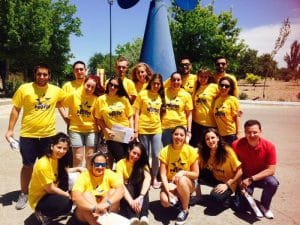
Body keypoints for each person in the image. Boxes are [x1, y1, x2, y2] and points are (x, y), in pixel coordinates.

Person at [5, 63, 66, 210]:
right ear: (35, 75)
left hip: (49, 135)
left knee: (48, 166)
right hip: (28, 135)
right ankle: (24, 193)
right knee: (28, 165)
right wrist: (10, 130)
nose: (42, 77)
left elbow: (62, 103)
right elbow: (16, 109)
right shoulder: (24, 89)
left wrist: (67, 119)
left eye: (45, 74)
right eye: (39, 74)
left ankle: (47, 191)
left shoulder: (56, 90)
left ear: (49, 76)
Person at [29, 132, 83, 225]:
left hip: (51, 193)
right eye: (59, 147)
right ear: (52, 146)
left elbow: (64, 171)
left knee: (78, 176)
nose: (62, 151)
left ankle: (62, 209)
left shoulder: (58, 158)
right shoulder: (43, 164)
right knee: (65, 201)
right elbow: (50, 189)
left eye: (65, 148)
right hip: (39, 199)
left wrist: (78, 169)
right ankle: (41, 214)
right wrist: (67, 195)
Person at [232, 120, 279, 219]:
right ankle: (246, 198)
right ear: (245, 133)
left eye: (255, 132)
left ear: (261, 131)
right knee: (240, 208)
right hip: (244, 178)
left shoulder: (269, 146)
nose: (252, 135)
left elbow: (271, 170)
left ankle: (264, 206)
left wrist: (251, 179)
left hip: (260, 177)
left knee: (273, 183)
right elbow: (236, 166)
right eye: (248, 132)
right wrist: (240, 183)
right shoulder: (236, 145)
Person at [61, 75, 105, 168]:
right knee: (78, 157)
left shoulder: (97, 99)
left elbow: (98, 116)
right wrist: (65, 117)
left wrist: (102, 129)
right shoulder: (74, 95)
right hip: (75, 129)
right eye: (88, 85)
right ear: (84, 83)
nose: (89, 89)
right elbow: (60, 103)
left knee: (90, 157)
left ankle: (88, 179)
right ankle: (76, 180)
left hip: (92, 130)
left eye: (92, 87)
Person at [70, 152, 124, 225]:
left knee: (113, 191)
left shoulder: (109, 173)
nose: (100, 167)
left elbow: (121, 190)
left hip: (104, 211)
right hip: (87, 213)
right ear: (92, 164)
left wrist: (105, 204)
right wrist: (94, 208)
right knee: (86, 195)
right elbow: (75, 196)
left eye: (103, 165)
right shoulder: (84, 176)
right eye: (97, 164)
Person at [159, 126, 199, 225]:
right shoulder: (165, 150)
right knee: (165, 201)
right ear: (172, 135)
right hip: (171, 183)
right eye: (176, 134)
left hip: (187, 182)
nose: (178, 137)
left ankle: (185, 210)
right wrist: (168, 191)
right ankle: (182, 200)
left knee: (181, 180)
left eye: (182, 135)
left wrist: (183, 172)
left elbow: (196, 174)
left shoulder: (191, 150)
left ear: (185, 137)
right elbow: (163, 175)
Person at [192, 128, 242, 205]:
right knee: (194, 170)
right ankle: (199, 196)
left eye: (212, 138)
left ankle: (230, 199)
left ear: (218, 138)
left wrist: (227, 184)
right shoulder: (205, 152)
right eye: (207, 139)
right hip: (216, 178)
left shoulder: (227, 151)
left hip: (229, 182)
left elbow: (240, 171)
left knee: (215, 198)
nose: (210, 141)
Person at [133, 73, 165, 188]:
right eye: (154, 83)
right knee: (144, 155)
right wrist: (135, 130)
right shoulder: (142, 94)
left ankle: (154, 177)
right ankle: (146, 176)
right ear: (150, 83)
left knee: (156, 154)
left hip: (156, 129)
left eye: (158, 84)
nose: (156, 85)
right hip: (143, 128)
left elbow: (162, 112)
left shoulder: (161, 96)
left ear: (161, 85)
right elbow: (136, 113)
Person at [95, 77, 134, 164]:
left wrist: (132, 131)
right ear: (108, 85)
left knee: (127, 159)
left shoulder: (124, 99)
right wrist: (106, 129)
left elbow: (130, 116)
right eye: (111, 84)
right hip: (112, 135)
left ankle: (125, 176)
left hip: (126, 133)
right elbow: (98, 118)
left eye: (115, 86)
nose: (112, 87)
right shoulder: (101, 99)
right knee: (120, 159)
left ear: (119, 88)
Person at [116, 142, 151, 225]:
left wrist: (141, 197)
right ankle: (133, 217)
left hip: (139, 193)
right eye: (134, 153)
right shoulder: (121, 163)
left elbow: (148, 178)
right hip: (127, 193)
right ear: (129, 150)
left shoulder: (142, 164)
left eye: (138, 155)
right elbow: (120, 184)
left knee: (144, 185)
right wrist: (131, 202)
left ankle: (144, 216)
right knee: (126, 185)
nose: (135, 156)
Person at [161, 72, 193, 146]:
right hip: (166, 127)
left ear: (181, 81)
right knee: (168, 151)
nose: (176, 82)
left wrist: (189, 131)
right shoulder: (163, 92)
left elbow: (189, 114)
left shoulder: (186, 95)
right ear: (170, 81)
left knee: (180, 152)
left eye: (178, 80)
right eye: (173, 80)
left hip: (180, 127)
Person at [189, 68, 219, 147]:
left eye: (205, 77)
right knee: (195, 147)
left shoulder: (214, 87)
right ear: (198, 77)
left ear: (209, 77)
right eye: (201, 76)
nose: (203, 79)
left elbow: (224, 97)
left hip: (210, 124)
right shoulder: (196, 87)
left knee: (208, 147)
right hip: (196, 123)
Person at [213, 76, 241, 145]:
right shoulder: (217, 99)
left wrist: (239, 133)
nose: (223, 87)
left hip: (230, 134)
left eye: (226, 86)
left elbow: (237, 117)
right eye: (222, 85)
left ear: (230, 88)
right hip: (220, 134)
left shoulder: (233, 100)